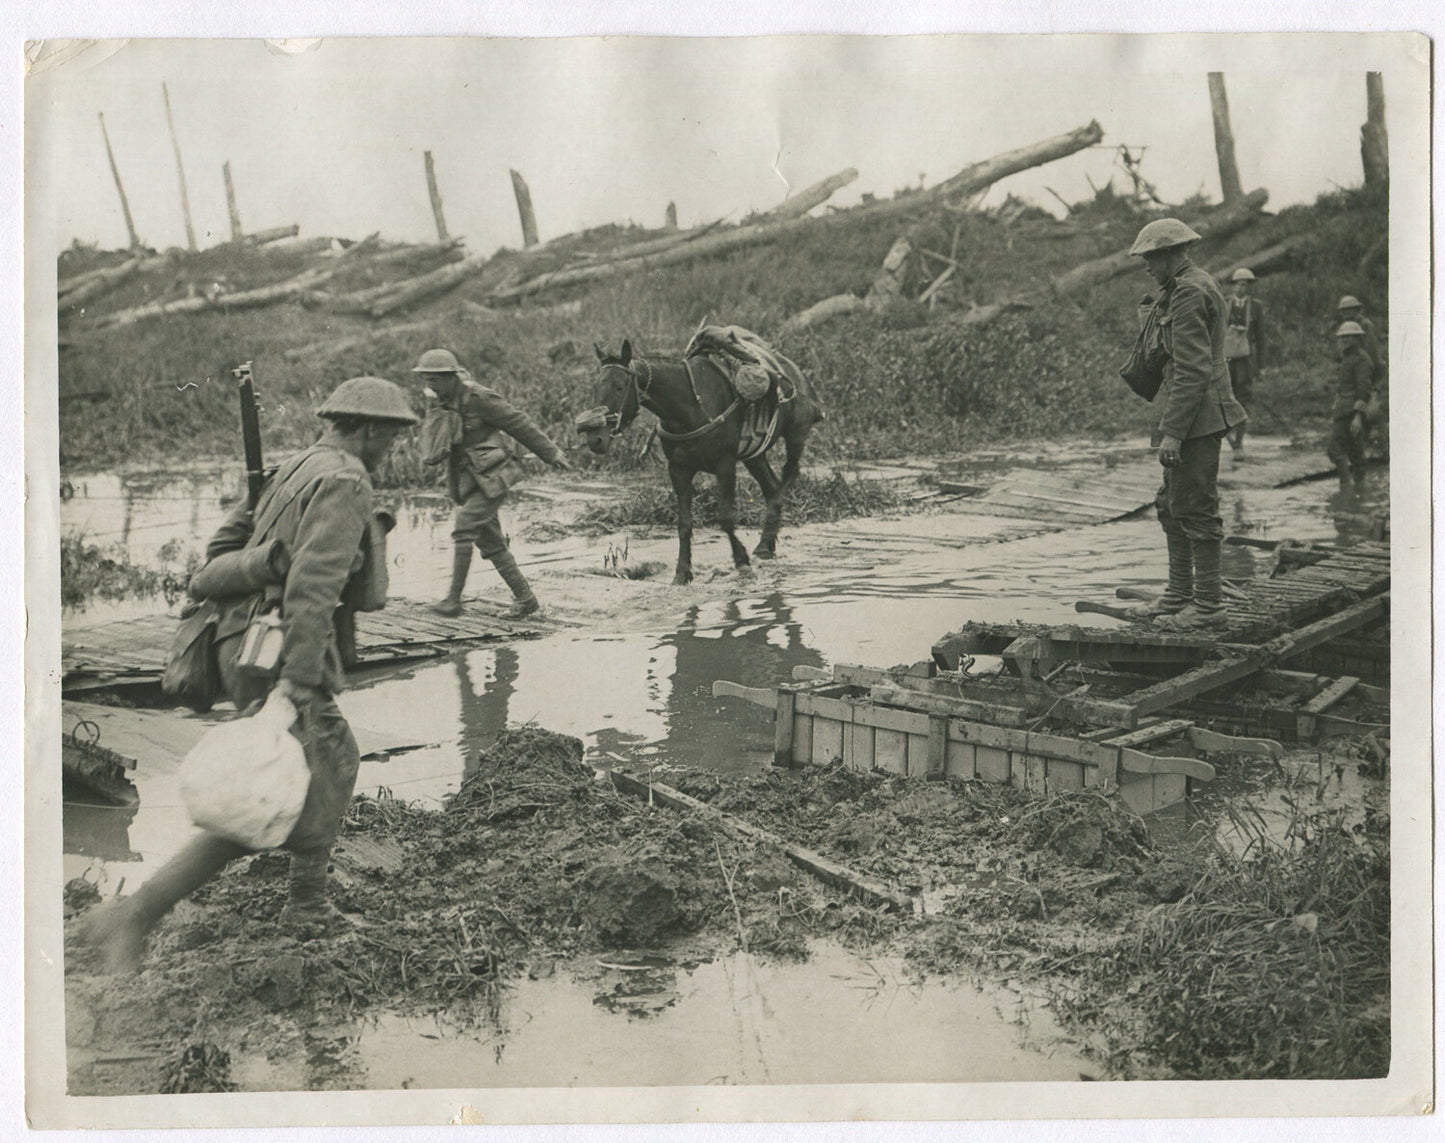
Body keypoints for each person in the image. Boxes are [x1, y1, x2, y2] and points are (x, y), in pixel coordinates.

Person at [80, 376, 419, 972]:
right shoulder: (344, 478)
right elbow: (315, 586)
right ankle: (136, 915)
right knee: (286, 783)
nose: (387, 450)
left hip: (244, 643)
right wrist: (300, 677)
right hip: (281, 652)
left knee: (309, 772)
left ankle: (305, 904)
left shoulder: (296, 467)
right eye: (389, 439)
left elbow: (220, 549)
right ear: (368, 430)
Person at [1123, 218, 1248, 630]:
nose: (1146, 267)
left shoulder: (1191, 292)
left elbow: (1193, 370)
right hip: (1192, 411)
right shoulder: (1183, 288)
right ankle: (1179, 595)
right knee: (1170, 506)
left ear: (1169, 255)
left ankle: (1209, 606)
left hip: (1198, 415)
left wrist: (1173, 432)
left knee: (1196, 508)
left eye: (1150, 258)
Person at [412, 348, 572, 618]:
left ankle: (453, 600)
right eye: (426, 379)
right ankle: (526, 599)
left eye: (435, 379)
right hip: (467, 483)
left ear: (453, 377)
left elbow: (518, 423)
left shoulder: (480, 398)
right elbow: (437, 447)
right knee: (491, 543)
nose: (430, 385)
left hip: (492, 479)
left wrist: (551, 452)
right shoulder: (442, 403)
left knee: (464, 529)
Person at [1222, 267, 1267, 457]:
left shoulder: (1256, 307)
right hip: (1226, 360)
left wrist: (1261, 366)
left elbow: (1261, 337)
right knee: (1222, 399)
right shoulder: (1225, 305)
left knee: (1243, 400)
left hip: (1245, 361)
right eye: (1240, 284)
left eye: (1246, 284)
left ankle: (1238, 443)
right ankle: (1228, 438)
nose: (1243, 288)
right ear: (1233, 285)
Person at [1327, 321, 1373, 483]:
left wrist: (1358, 416)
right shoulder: (1348, 358)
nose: (1344, 340)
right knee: (1355, 453)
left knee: (1335, 449)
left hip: (1351, 413)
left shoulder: (1361, 360)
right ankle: (1357, 493)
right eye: (1342, 337)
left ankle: (1346, 489)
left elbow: (1364, 390)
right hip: (1344, 410)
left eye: (1349, 337)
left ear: (1357, 338)